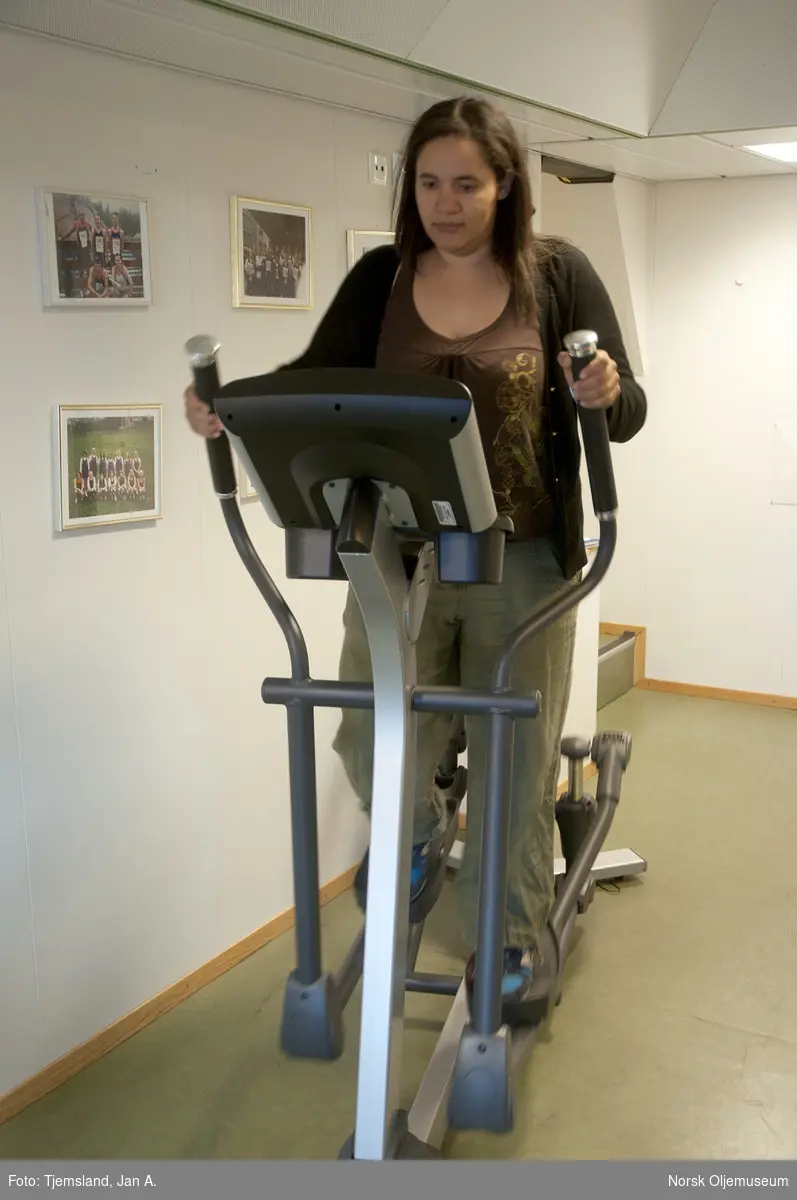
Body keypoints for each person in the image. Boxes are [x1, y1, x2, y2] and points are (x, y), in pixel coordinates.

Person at [184, 96, 647, 1023]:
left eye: (465, 183)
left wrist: (604, 387)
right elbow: (316, 380)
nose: (445, 202)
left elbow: (623, 411)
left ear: (504, 185)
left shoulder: (557, 275)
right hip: (398, 555)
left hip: (523, 560)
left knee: (514, 759)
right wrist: (228, 408)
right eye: (428, 182)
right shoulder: (382, 278)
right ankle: (425, 830)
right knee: (369, 730)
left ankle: (515, 938)